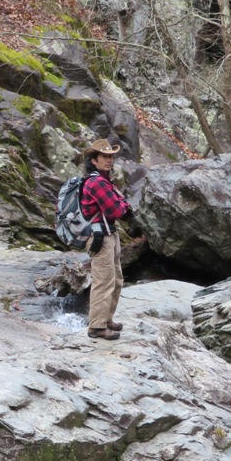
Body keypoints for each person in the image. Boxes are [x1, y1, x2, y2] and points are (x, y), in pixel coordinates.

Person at [80, 138, 132, 340]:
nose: (109, 160)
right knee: (104, 281)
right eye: (104, 157)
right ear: (94, 160)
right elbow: (117, 209)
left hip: (108, 233)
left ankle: (106, 319)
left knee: (116, 279)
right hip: (99, 236)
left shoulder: (103, 180)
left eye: (111, 157)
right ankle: (97, 327)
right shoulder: (97, 183)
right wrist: (124, 206)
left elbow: (118, 205)